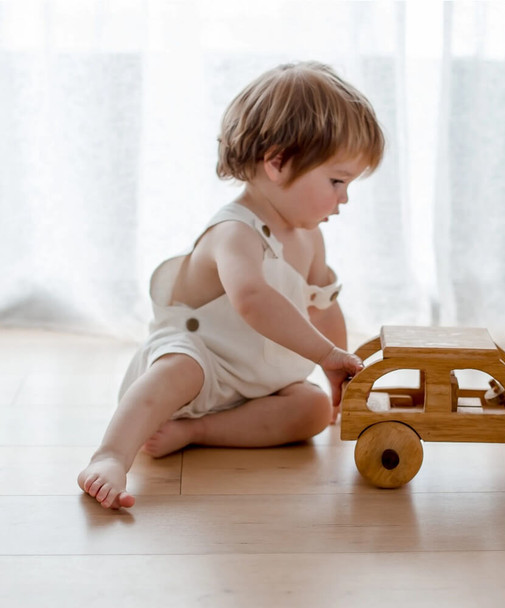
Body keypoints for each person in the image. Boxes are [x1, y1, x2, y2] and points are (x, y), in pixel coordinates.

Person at [77, 61, 385, 509]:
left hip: (256, 380)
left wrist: (335, 375)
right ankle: (110, 455)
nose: (344, 198)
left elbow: (321, 307)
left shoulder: (310, 239)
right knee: (177, 369)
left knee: (313, 409)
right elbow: (253, 301)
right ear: (278, 162)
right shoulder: (234, 232)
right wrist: (322, 352)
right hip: (202, 364)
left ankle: (196, 432)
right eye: (337, 181)